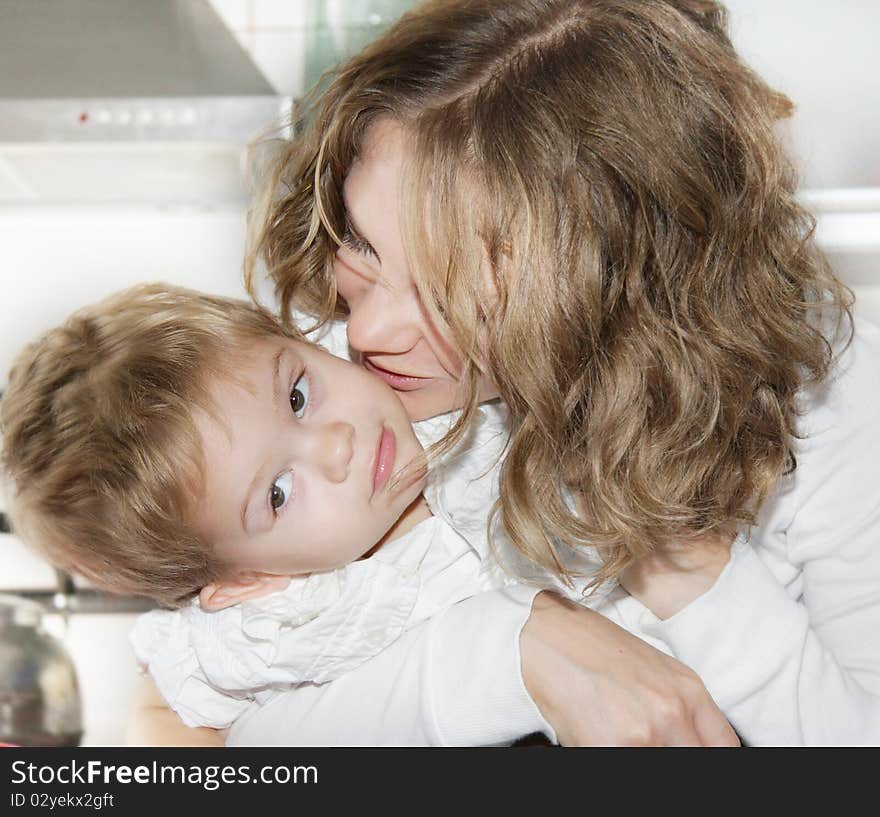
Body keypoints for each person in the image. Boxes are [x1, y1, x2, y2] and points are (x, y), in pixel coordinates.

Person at [132, 0, 880, 746]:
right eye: (362, 244)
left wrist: (681, 560)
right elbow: (217, 735)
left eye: (453, 300)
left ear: (618, 303)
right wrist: (519, 652)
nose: (366, 331)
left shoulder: (835, 395)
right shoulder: (320, 385)